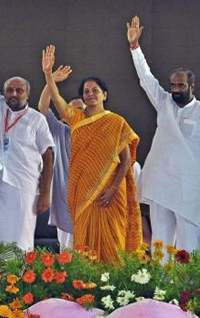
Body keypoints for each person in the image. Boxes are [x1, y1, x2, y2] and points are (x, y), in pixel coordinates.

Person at [43, 45, 142, 262]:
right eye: (86, 91)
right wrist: (48, 74)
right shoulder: (76, 119)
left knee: (113, 243)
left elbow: (125, 160)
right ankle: (84, 287)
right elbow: (57, 100)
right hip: (82, 195)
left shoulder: (117, 122)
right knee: (84, 247)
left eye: (94, 90)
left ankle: (115, 291)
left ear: (104, 94)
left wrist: (114, 189)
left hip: (111, 195)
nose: (90, 94)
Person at [0, 16, 55, 250]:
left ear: (27, 94)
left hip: (25, 186)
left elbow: (49, 156)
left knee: (20, 238)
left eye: (19, 90)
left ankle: (17, 283)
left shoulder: (36, 119)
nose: (13, 94)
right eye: (10, 90)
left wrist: (46, 192)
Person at [127, 16, 200, 254]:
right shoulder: (164, 103)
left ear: (192, 86)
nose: (175, 90)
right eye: (173, 85)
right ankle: (159, 289)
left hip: (189, 187)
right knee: (161, 241)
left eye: (180, 86)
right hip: (161, 182)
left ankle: (189, 290)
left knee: (188, 244)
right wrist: (135, 48)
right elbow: (146, 79)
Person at [38, 65, 84, 250]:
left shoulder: (97, 132)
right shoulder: (59, 131)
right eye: (72, 110)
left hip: (90, 205)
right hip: (65, 207)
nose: (76, 114)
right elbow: (42, 107)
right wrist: (51, 81)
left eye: (81, 110)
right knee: (67, 257)